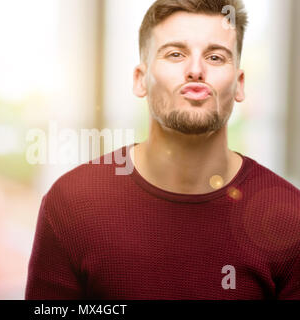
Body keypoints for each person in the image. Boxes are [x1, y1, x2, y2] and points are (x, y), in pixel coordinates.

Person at [26, 0, 300, 299]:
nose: (195, 70)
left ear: (239, 84)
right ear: (140, 79)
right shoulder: (71, 204)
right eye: (175, 54)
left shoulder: (291, 217)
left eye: (215, 57)